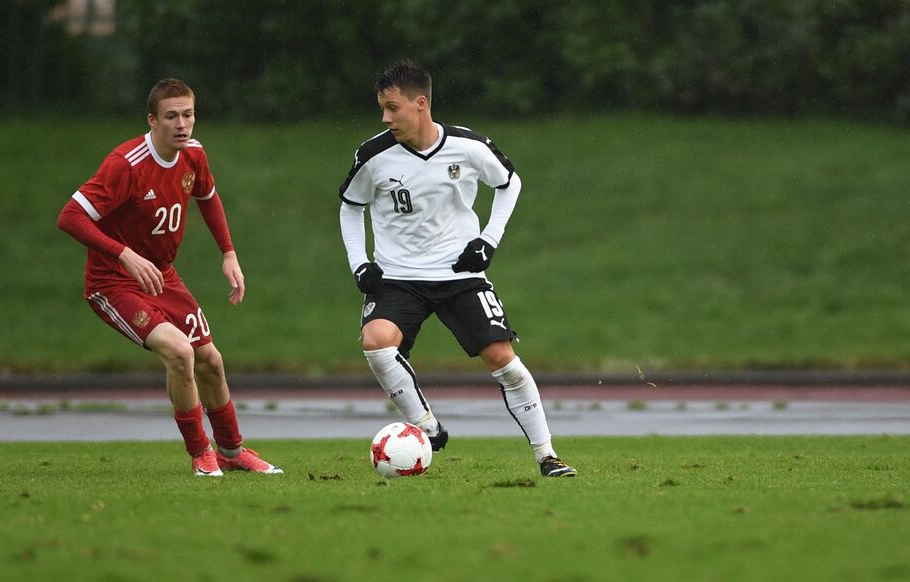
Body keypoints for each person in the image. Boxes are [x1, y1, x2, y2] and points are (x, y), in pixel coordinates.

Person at [338, 59, 576, 478]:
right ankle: (427, 427)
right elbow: (350, 207)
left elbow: (509, 183)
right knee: (376, 342)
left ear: (420, 103)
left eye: (393, 107)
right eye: (382, 108)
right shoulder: (373, 155)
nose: (385, 117)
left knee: (503, 359)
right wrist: (361, 264)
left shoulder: (469, 147)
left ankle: (547, 455)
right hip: (397, 276)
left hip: (459, 274)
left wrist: (488, 240)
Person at [57, 78, 282, 477]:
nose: (182, 124)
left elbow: (207, 195)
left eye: (189, 115)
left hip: (162, 276)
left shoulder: (193, 154)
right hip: (113, 282)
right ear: (153, 120)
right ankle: (201, 454)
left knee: (210, 359)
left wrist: (228, 253)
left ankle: (231, 451)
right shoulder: (125, 165)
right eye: (172, 116)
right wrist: (124, 254)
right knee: (181, 352)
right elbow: (70, 217)